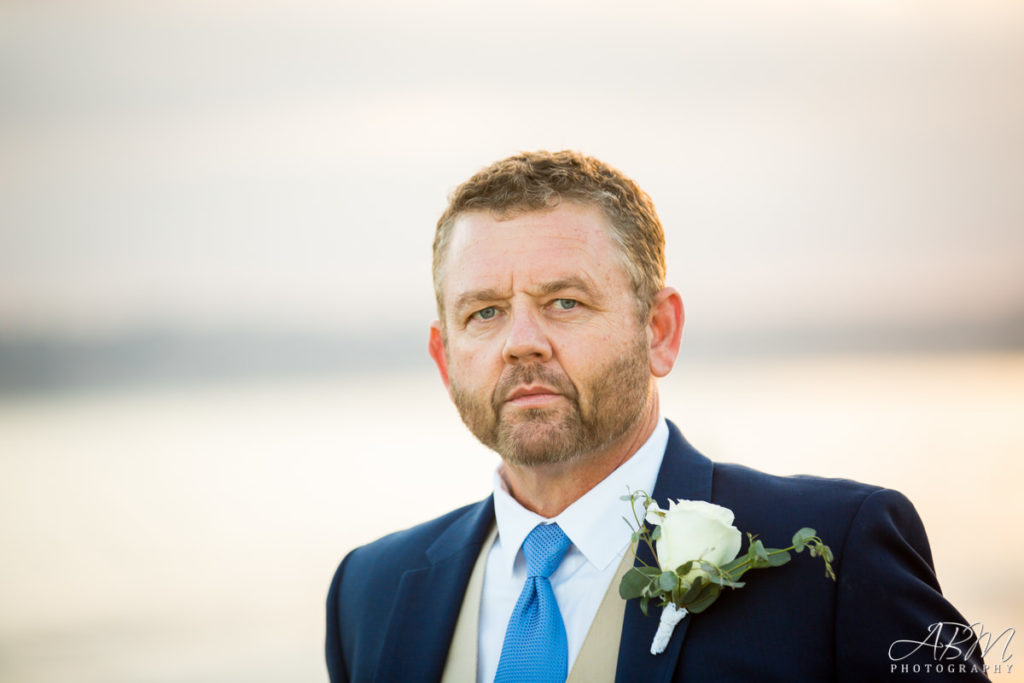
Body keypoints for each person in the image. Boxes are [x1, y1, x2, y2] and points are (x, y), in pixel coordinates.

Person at [326, 151, 988, 682]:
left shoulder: (836, 555)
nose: (520, 340)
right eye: (484, 312)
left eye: (563, 302)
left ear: (659, 331)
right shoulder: (370, 589)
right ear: (445, 360)